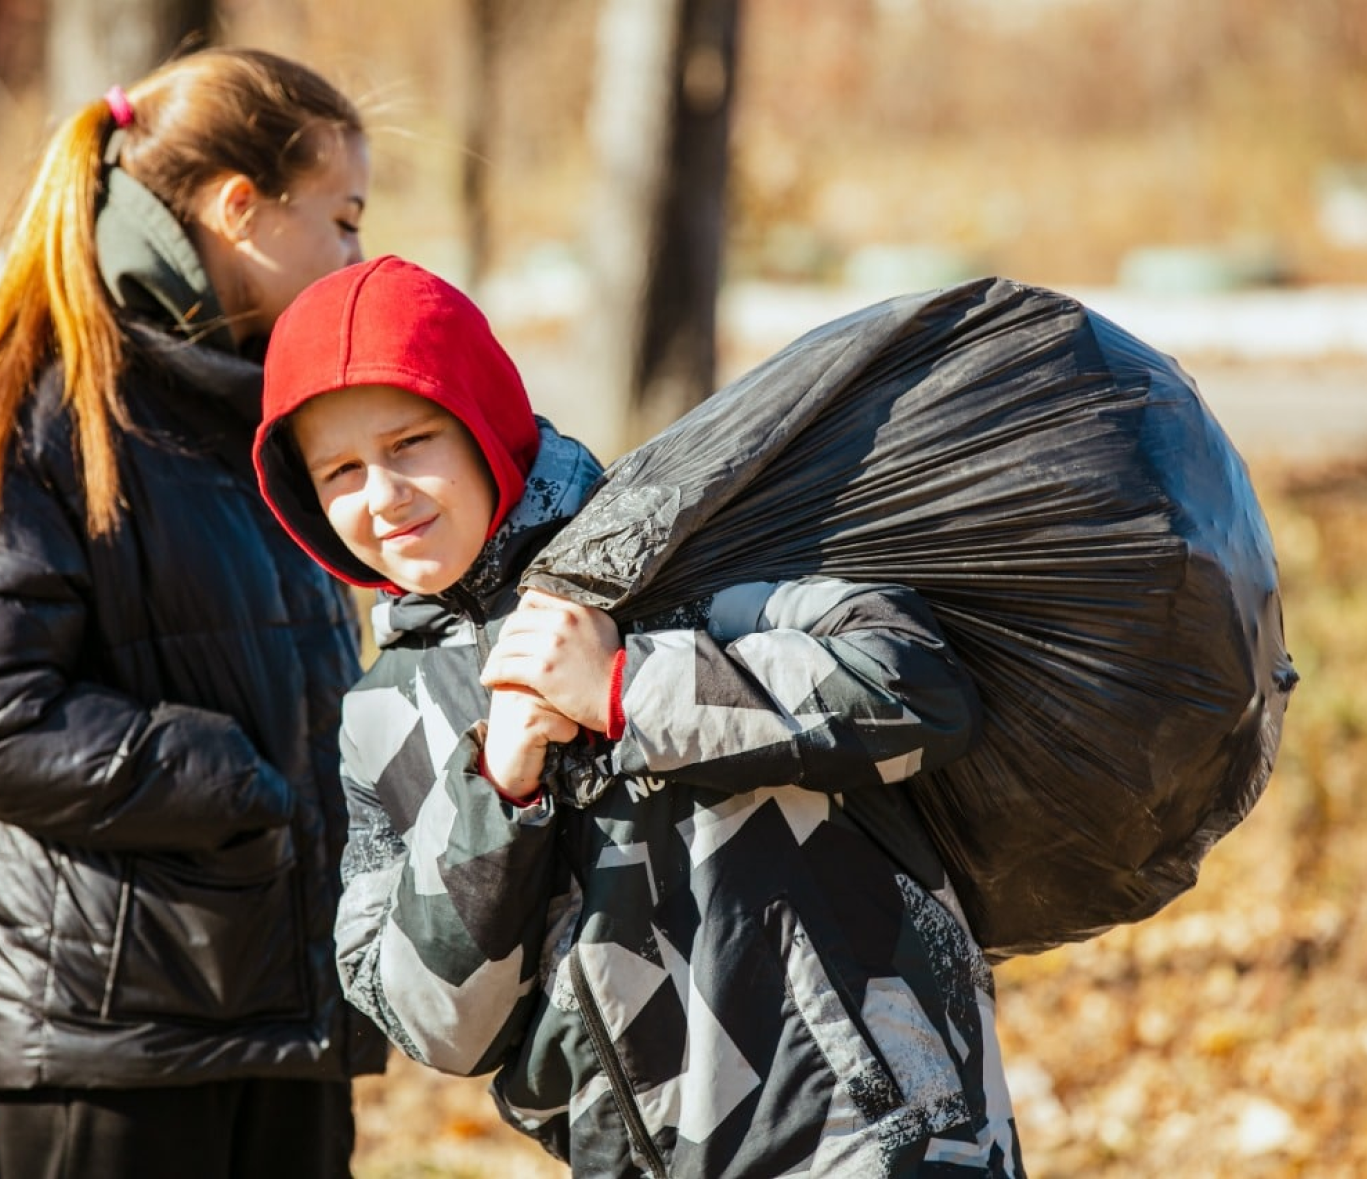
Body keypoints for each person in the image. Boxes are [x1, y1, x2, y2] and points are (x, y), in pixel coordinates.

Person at [253, 255, 1025, 1177]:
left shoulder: (677, 549)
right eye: (339, 469)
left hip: (876, 1136)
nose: (381, 496)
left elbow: (916, 688)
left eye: (412, 440)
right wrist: (495, 789)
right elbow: (438, 1027)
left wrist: (627, 686)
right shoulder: (383, 715)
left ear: (484, 427)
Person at [0, 48, 385, 1179]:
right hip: (112, 1028)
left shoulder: (244, 414)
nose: (357, 254)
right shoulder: (59, 412)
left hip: (269, 999)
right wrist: (241, 785)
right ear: (240, 208)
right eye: (340, 219)